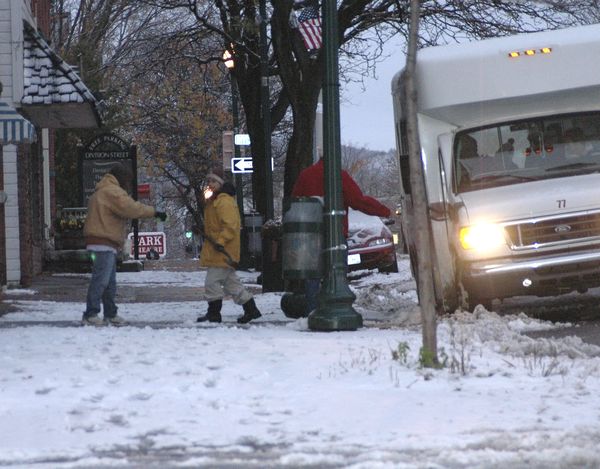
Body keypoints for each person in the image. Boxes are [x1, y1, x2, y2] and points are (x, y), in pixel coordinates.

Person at [291, 154, 391, 315]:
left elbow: (295, 202)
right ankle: (334, 306)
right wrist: (384, 211)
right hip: (335, 233)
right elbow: (358, 201)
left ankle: (312, 310)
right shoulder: (340, 175)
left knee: (312, 275)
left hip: (310, 233)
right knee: (337, 271)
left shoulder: (306, 175)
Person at [82, 162, 167, 326]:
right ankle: (90, 314)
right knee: (101, 280)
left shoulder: (103, 190)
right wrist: (154, 212)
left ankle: (110, 313)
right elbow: (131, 208)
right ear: (121, 178)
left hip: (103, 242)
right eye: (127, 181)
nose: (128, 185)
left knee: (109, 282)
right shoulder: (112, 192)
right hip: (103, 242)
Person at [196, 168, 262, 324]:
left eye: (213, 181)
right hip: (221, 250)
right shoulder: (215, 201)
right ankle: (251, 309)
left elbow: (230, 226)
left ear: (221, 183)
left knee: (211, 282)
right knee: (231, 284)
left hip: (223, 250)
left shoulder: (223, 201)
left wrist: (220, 242)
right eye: (209, 181)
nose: (210, 184)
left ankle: (214, 314)